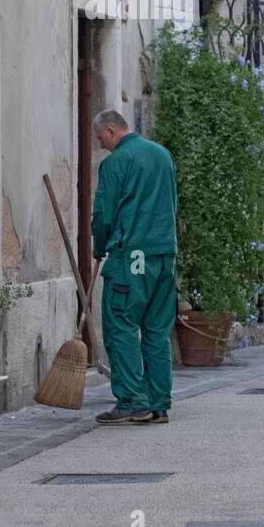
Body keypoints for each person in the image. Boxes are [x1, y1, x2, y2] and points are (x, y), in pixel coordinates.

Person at [90, 109, 178, 425]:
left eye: (101, 138)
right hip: (164, 256)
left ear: (111, 130)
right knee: (156, 330)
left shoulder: (115, 163)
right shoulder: (163, 155)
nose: (101, 146)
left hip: (133, 257)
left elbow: (104, 215)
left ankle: (132, 400)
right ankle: (159, 404)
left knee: (121, 324)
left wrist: (100, 246)